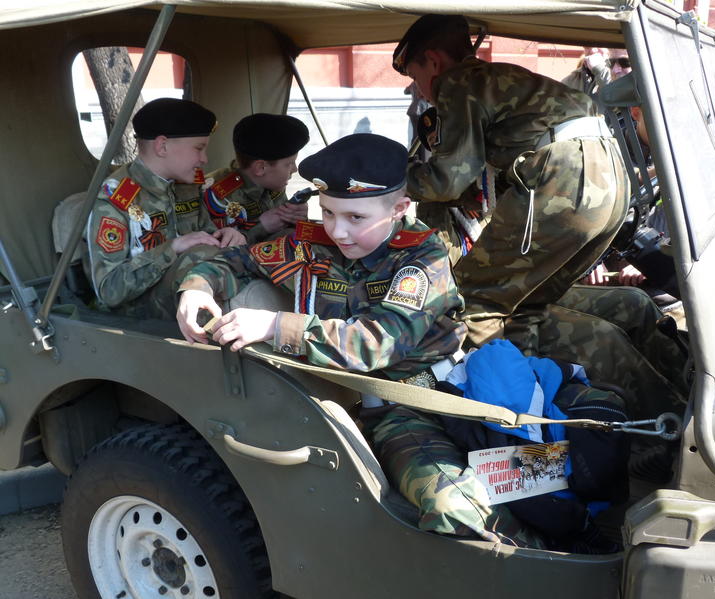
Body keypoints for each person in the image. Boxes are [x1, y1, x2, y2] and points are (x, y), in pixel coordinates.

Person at [176, 133, 540, 547]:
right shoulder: (312, 244)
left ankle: (554, 552)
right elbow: (238, 260)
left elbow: (378, 342)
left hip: (456, 395)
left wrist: (277, 326)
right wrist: (197, 287)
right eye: (328, 212)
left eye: (356, 218)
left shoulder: (421, 259)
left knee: (550, 474)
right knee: (454, 507)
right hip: (400, 413)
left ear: (399, 209)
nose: (338, 231)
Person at [393, 14, 630, 349]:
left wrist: (392, 180)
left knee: (471, 300)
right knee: (527, 302)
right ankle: (547, 376)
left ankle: (497, 382)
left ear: (433, 61)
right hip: (609, 175)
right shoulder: (500, 79)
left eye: (416, 78)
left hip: (565, 177)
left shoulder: (457, 81)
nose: (420, 91)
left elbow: (447, 181)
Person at [84, 98, 246, 319]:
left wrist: (224, 236)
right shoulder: (117, 198)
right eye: (199, 148)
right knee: (202, 259)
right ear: (162, 146)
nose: (204, 159)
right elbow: (110, 291)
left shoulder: (186, 186)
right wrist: (173, 248)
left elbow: (206, 238)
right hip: (135, 313)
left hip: (188, 290)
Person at [203, 113, 310, 243]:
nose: (295, 169)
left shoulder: (272, 183)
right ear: (261, 168)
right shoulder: (214, 194)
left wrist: (296, 218)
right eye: (290, 164)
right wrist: (261, 227)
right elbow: (216, 247)